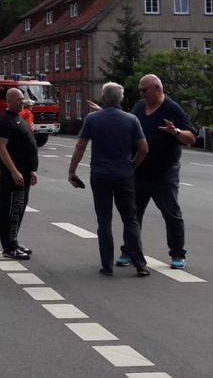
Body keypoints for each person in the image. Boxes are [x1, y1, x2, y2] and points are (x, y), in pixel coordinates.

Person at [68, 82, 151, 277]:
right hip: (124, 175)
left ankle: (107, 265)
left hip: (100, 174)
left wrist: (72, 171)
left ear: (104, 98)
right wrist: (132, 165)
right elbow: (144, 149)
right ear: (121, 99)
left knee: (104, 220)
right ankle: (140, 264)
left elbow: (80, 146)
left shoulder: (92, 119)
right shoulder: (131, 120)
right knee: (131, 220)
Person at [116, 74, 195, 270]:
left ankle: (177, 254)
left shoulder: (171, 108)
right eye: (140, 90)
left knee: (171, 213)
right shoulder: (139, 107)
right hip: (139, 169)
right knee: (133, 214)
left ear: (157, 89)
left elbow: (191, 138)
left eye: (145, 90)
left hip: (164, 171)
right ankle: (128, 251)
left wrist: (175, 132)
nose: (141, 94)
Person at [0, 88, 38, 260]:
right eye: (19, 99)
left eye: (22, 98)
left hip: (25, 173)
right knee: (11, 210)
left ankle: (14, 241)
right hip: (13, 176)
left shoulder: (18, 118)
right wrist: (14, 171)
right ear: (9, 101)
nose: (22, 101)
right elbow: (1, 149)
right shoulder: (4, 121)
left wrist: (32, 169)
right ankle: (9, 247)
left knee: (19, 208)